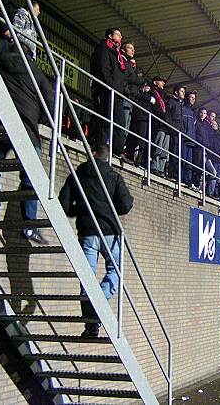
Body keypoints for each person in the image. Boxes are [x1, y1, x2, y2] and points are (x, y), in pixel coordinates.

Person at [0, 42, 53, 244]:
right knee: (30, 179)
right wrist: (37, 120)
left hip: (0, 125)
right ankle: (29, 225)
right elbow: (50, 103)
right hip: (27, 130)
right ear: (31, 53)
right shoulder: (36, 72)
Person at [59, 144, 134, 337]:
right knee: (116, 270)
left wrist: (82, 210)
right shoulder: (114, 176)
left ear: (92, 153)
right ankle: (100, 300)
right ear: (106, 157)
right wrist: (107, 210)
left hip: (87, 232)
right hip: (109, 232)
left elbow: (64, 204)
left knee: (87, 277)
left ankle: (91, 325)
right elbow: (125, 205)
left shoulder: (77, 174)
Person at [90, 27, 127, 156]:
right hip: (106, 90)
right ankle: (100, 146)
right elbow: (103, 68)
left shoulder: (117, 54)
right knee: (105, 118)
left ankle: (117, 149)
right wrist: (110, 85)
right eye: (118, 35)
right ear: (110, 36)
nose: (120, 38)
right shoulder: (103, 48)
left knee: (119, 122)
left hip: (117, 92)